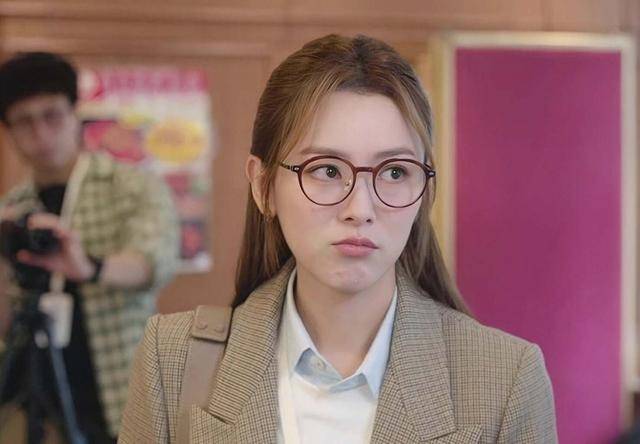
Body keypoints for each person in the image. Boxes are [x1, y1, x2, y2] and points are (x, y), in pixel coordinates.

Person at [119, 34, 557, 443]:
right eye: (327, 170)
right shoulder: (172, 359)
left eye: (394, 172)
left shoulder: (506, 379)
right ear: (263, 185)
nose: (360, 209)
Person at [0, 52, 179, 443]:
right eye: (24, 122)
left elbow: (154, 262)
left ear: (74, 114)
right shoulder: (12, 211)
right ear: (9, 132)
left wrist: (90, 267)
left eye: (51, 115)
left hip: (120, 389)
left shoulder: (130, 185)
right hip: (38, 399)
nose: (40, 133)